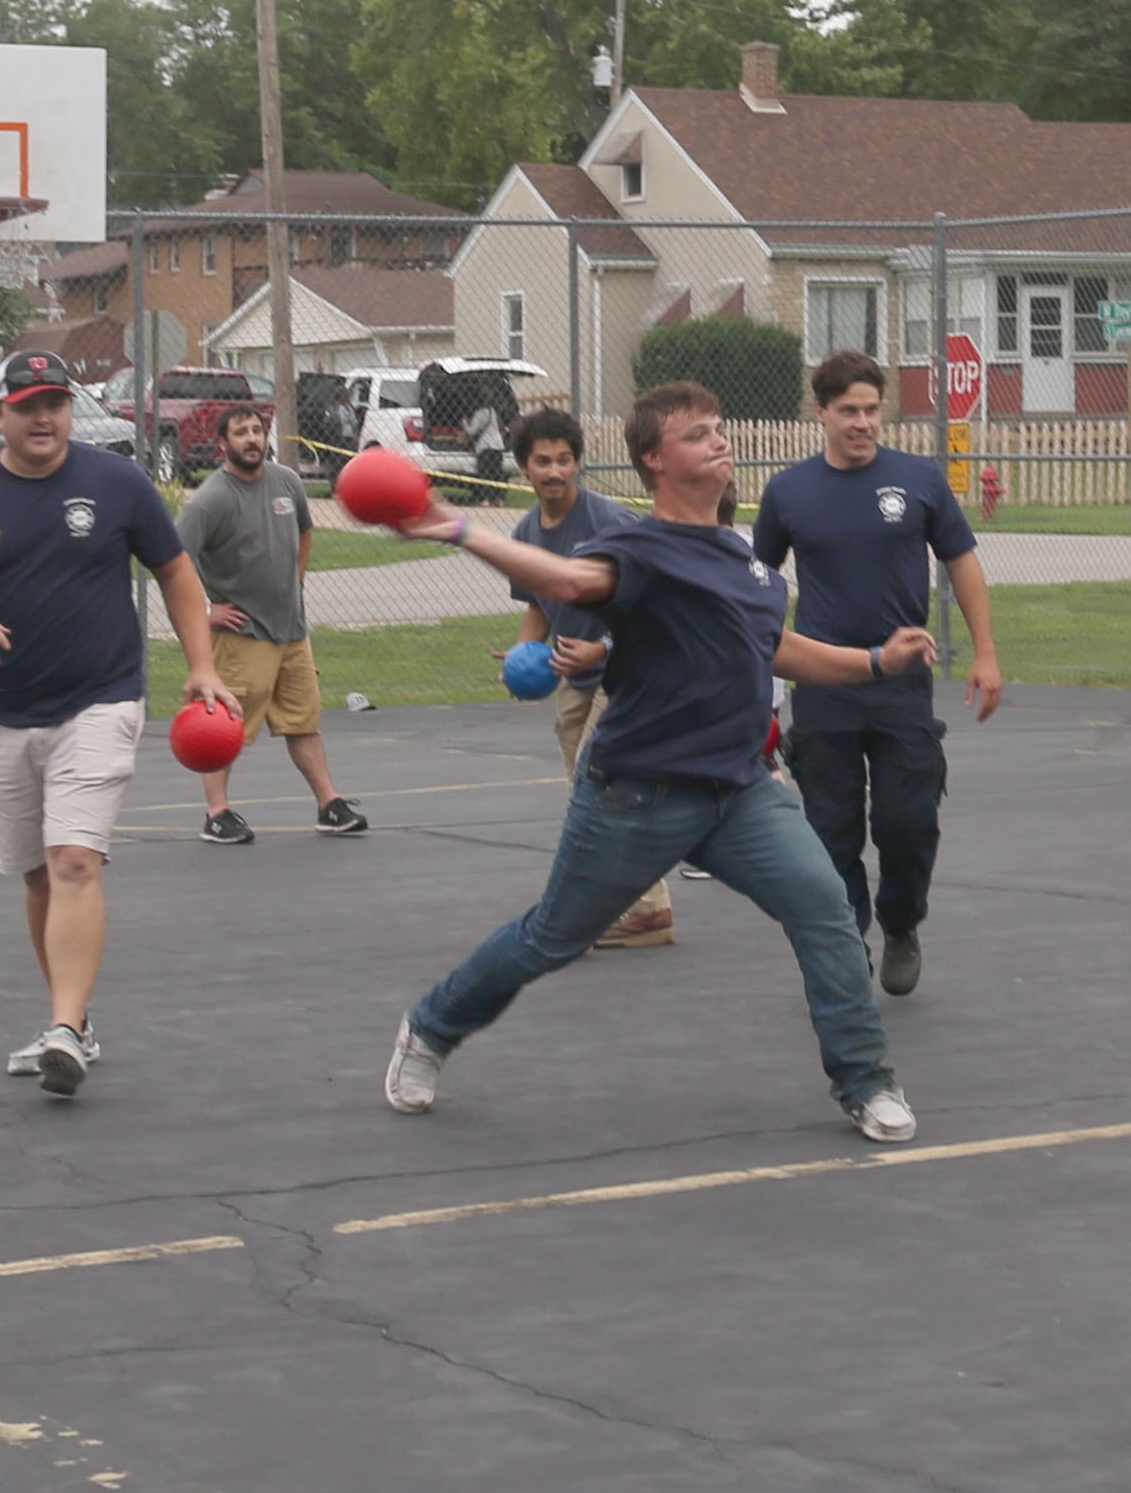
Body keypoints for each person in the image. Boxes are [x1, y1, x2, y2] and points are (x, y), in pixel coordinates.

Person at [379, 381, 932, 1144]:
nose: (719, 440)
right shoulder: (636, 548)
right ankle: (431, 1029)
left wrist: (875, 660)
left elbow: (782, 651)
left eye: (719, 427)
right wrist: (457, 529)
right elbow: (569, 581)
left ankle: (865, 1080)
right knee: (551, 938)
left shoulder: (749, 565)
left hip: (740, 792)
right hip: (635, 796)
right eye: (697, 433)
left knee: (827, 912)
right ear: (654, 460)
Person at [0, 350, 231, 1098]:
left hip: (101, 701)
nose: (43, 417)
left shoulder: (117, 483)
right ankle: (69, 1020)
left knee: (77, 859)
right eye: (27, 404)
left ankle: (67, 1030)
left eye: (56, 402)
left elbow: (176, 571)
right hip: (1, 713)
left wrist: (201, 665)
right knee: (40, 875)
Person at [751, 349, 1001, 997]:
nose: (862, 423)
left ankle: (901, 923)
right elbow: (757, 585)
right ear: (822, 414)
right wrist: (757, 673)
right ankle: (846, 942)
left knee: (907, 820)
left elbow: (963, 563)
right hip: (826, 683)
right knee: (832, 829)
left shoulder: (919, 480)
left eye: (871, 410)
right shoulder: (788, 492)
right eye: (848, 412)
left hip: (902, 681)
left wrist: (986, 653)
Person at [506, 406, 674, 948]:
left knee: (599, 783)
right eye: (543, 462)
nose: (554, 471)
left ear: (577, 463)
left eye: (564, 460)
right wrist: (521, 654)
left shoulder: (608, 524)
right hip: (571, 676)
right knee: (588, 795)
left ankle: (646, 910)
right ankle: (621, 905)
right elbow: (537, 601)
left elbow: (654, 606)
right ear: (524, 468)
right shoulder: (527, 530)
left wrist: (601, 647)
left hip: (625, 672)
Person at [173, 404, 367, 844]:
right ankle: (217, 813)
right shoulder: (212, 499)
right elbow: (173, 558)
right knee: (222, 728)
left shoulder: (288, 482)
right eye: (240, 433)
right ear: (222, 444)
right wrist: (208, 610)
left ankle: (329, 805)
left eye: (257, 430)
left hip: (292, 631)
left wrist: (296, 577)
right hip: (242, 635)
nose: (251, 439)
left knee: (303, 721)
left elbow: (304, 531)